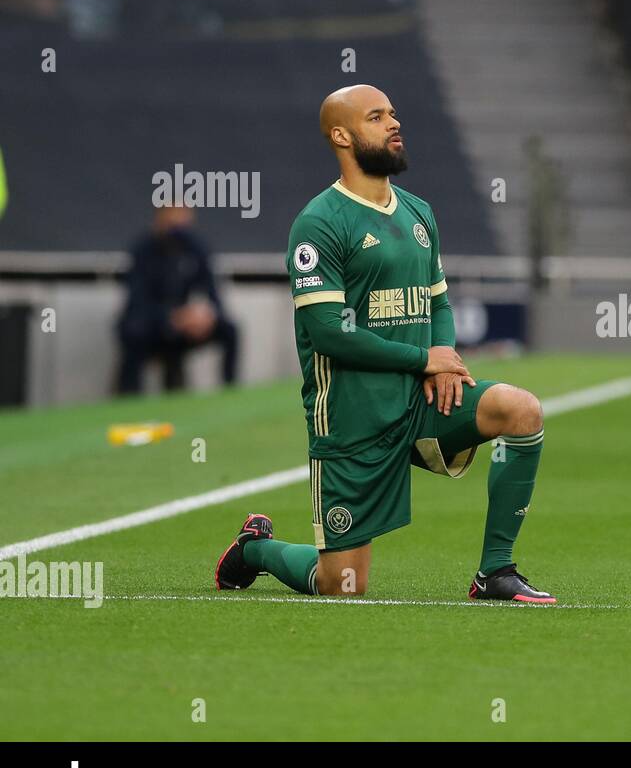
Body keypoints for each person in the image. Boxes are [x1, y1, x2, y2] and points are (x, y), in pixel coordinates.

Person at [214, 84, 553, 602]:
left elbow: (438, 302)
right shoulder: (319, 223)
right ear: (342, 136)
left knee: (521, 410)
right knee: (343, 586)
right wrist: (424, 358)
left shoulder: (418, 213)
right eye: (377, 118)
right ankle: (255, 550)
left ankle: (495, 572)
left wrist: (443, 363)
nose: (394, 124)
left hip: (420, 403)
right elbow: (329, 332)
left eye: (393, 114)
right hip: (354, 417)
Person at [116, 205, 239, 394]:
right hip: (150, 323)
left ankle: (230, 392)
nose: (178, 228)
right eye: (173, 221)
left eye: (183, 222)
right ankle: (127, 395)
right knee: (135, 332)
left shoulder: (195, 248)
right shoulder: (142, 251)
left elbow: (211, 293)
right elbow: (137, 302)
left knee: (230, 330)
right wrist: (170, 316)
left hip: (185, 325)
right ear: (160, 219)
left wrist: (204, 316)